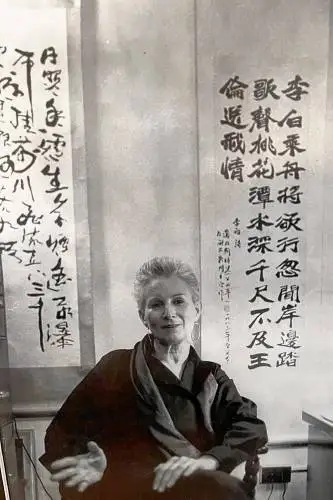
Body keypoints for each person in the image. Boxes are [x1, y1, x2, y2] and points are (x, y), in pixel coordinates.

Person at [40, 257, 268, 500]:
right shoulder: (116, 368)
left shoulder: (210, 376)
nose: (169, 313)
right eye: (157, 304)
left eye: (179, 301)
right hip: (129, 491)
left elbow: (249, 425)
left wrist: (210, 460)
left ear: (196, 309)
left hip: (197, 488)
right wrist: (89, 461)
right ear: (143, 316)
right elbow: (62, 431)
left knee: (225, 490)